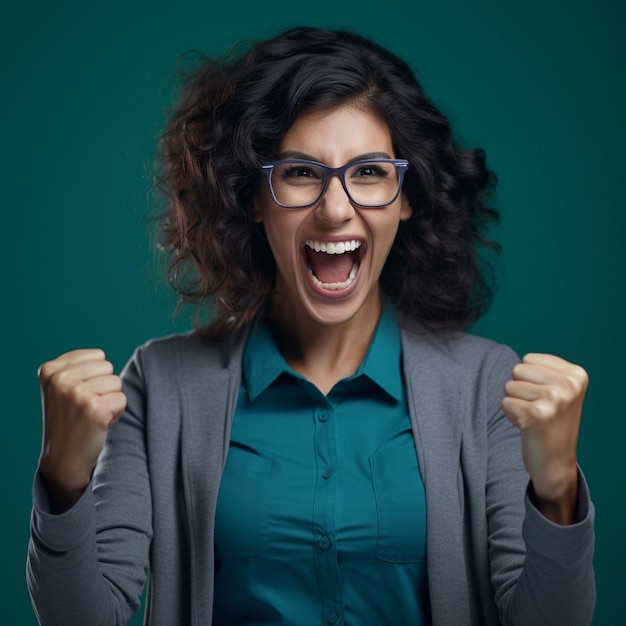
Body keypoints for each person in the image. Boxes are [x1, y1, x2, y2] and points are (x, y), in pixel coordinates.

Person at [27, 27, 595, 626]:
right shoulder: (160, 384)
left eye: (370, 172)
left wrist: (556, 488)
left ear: (406, 197)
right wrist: (63, 481)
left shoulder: (486, 384)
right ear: (254, 197)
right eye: (300, 173)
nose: (334, 207)